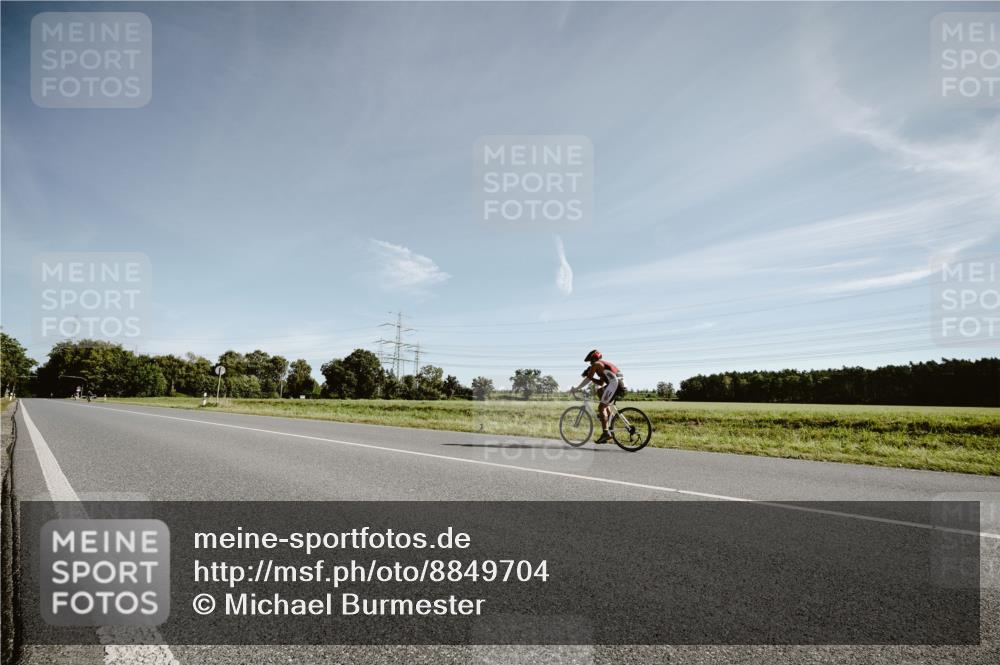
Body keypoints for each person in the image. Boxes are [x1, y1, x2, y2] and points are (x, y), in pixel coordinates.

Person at [572, 349, 625, 443]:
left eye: (590, 362)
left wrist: (577, 388)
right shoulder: (603, 365)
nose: (590, 364)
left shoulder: (597, 364)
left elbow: (587, 380)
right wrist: (591, 377)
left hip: (615, 384)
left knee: (601, 407)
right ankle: (608, 417)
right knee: (600, 391)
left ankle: (606, 433)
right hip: (619, 383)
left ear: (593, 359)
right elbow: (601, 382)